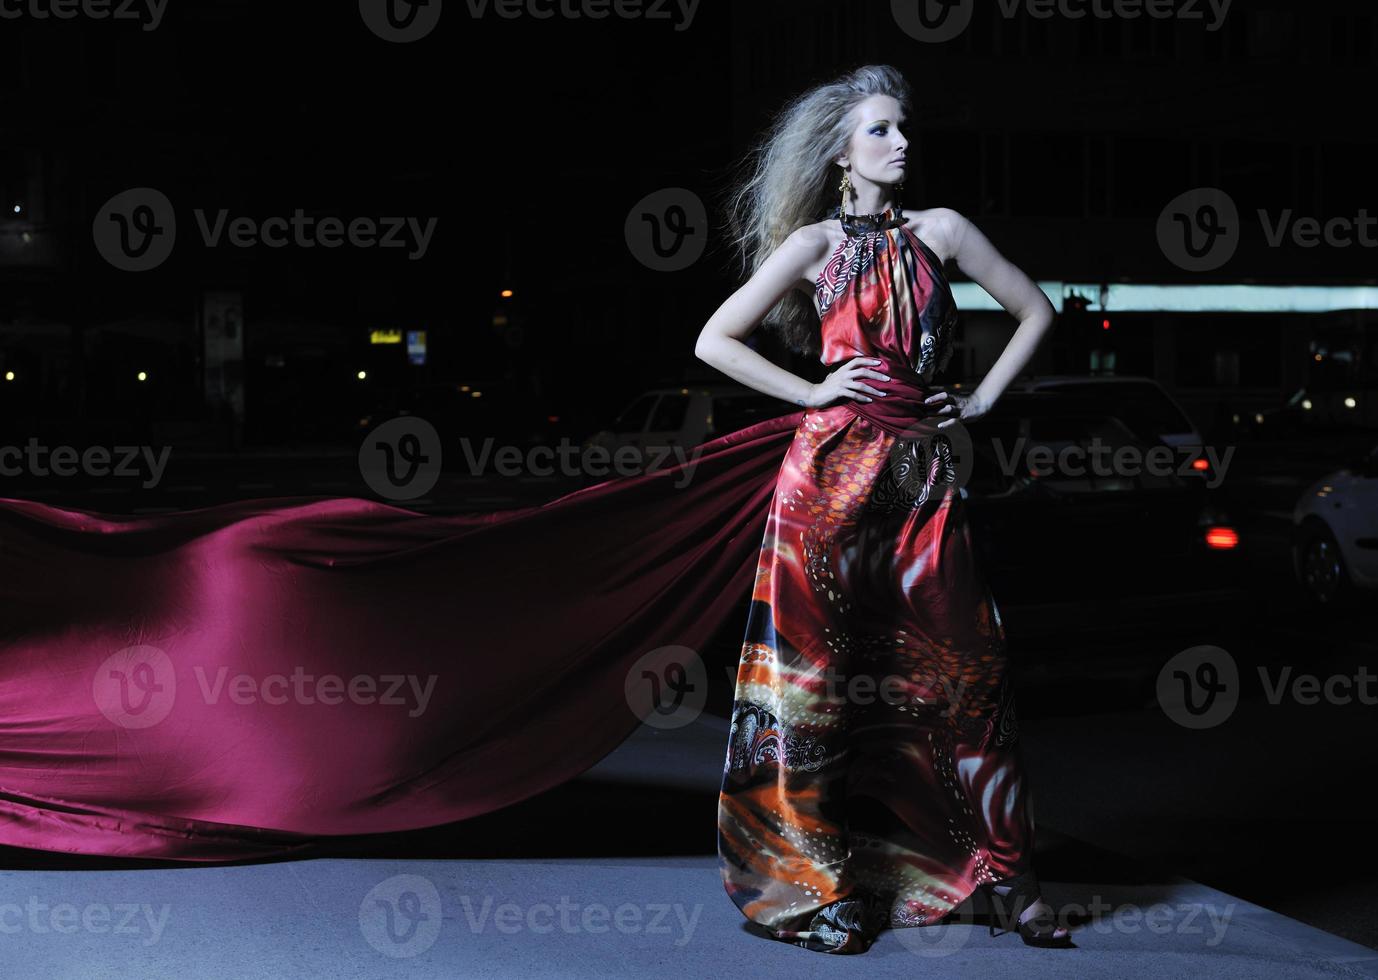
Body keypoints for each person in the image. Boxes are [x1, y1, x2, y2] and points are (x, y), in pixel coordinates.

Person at [697, 64, 1068, 953]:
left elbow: (1035, 309)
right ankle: (821, 885)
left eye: (904, 129)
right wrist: (814, 391)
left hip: (923, 481)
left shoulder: (943, 232)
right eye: (881, 130)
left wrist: (976, 403)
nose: (902, 143)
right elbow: (713, 339)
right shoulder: (815, 246)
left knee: (968, 673)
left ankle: (1008, 880)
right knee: (814, 685)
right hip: (824, 483)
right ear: (840, 151)